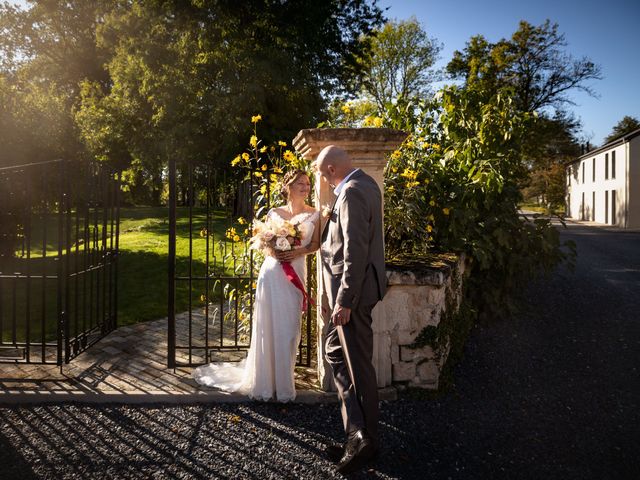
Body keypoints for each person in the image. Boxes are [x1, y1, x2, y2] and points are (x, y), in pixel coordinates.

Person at [193, 170, 320, 402]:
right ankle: (266, 383)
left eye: (308, 183)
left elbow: (316, 244)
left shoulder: (315, 214)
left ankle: (284, 384)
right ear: (288, 187)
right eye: (300, 183)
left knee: (290, 330)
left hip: (295, 274)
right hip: (272, 274)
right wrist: (276, 250)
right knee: (268, 327)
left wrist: (297, 251)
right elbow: (264, 244)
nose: (306, 187)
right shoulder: (274, 213)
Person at [316, 145, 386, 474]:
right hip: (354, 294)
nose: (323, 181)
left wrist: (344, 300)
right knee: (334, 350)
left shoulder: (352, 192)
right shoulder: (367, 184)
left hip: (352, 297)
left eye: (321, 173)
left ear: (331, 169)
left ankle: (364, 441)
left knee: (358, 367)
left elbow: (355, 250)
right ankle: (356, 435)